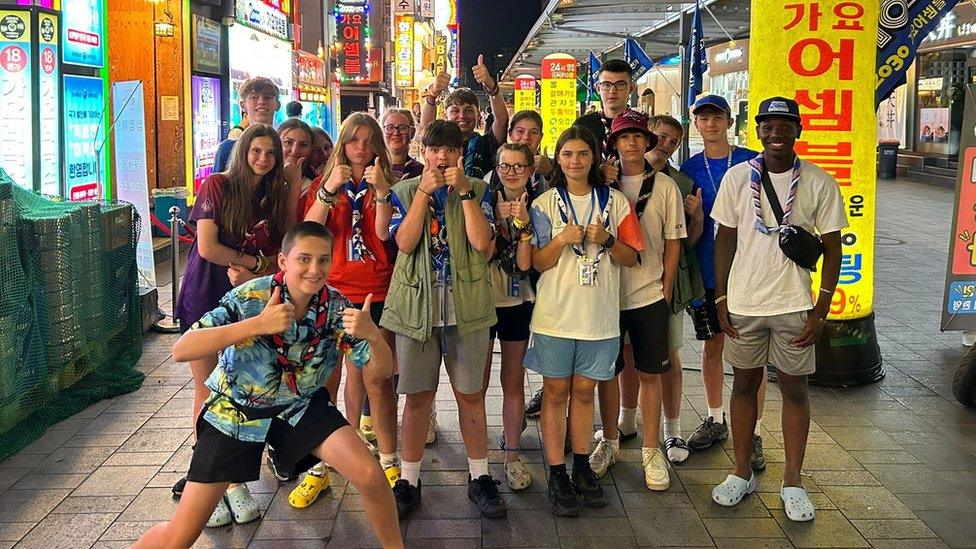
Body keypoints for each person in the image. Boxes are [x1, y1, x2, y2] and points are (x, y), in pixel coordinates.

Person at [133, 222, 403, 548]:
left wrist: (373, 335)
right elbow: (182, 349)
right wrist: (257, 324)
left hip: (299, 405)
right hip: (236, 408)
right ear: (283, 261)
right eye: (304, 259)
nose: (314, 270)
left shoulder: (336, 308)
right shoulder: (251, 296)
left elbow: (383, 372)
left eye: (323, 260)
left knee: (371, 476)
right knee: (181, 535)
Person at [710, 96, 846, 523]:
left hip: (794, 304)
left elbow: (832, 246)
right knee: (745, 385)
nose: (776, 133)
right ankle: (741, 471)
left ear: (798, 130)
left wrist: (821, 309)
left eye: (784, 125)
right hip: (746, 302)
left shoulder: (819, 181)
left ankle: (793, 480)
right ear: (758, 131)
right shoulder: (737, 178)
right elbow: (725, 238)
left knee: (794, 389)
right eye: (768, 125)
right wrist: (721, 298)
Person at [171, 124, 302, 525]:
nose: (263, 159)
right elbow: (208, 247)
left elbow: (287, 238)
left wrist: (293, 184)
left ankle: (231, 476)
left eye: (271, 154)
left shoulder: (271, 194)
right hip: (207, 293)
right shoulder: (216, 185)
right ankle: (211, 481)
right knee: (206, 389)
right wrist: (252, 265)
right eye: (256, 151)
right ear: (244, 150)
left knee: (242, 388)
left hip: (248, 302)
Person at [379, 120, 506, 520]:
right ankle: (410, 480)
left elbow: (482, 242)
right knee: (416, 397)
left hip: (467, 309)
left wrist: (465, 192)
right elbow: (405, 242)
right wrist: (422, 194)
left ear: (460, 153)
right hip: (417, 310)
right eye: (435, 150)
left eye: (450, 150)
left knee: (471, 394)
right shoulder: (403, 191)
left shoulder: (480, 190)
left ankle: (480, 477)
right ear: (424, 153)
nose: (442, 157)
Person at [526, 126, 643, 516]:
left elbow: (631, 257)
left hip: (599, 319)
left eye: (582, 154)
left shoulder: (617, 203)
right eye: (567, 154)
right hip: (555, 317)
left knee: (584, 392)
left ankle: (581, 465)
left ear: (594, 159)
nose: (575, 161)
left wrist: (607, 240)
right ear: (557, 159)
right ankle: (557, 472)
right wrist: (561, 240)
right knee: (556, 393)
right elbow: (537, 264)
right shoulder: (543, 204)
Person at [295, 112, 401, 508]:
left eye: (367, 139)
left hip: (376, 289)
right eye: (353, 139)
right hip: (332, 289)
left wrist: (383, 192)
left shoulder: (384, 183)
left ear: (376, 145)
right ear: (343, 143)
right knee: (327, 379)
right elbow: (310, 231)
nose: (360, 147)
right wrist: (329, 190)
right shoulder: (328, 181)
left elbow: (381, 234)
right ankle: (323, 464)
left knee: (376, 377)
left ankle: (387, 460)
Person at [587, 110, 684, 490]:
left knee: (650, 372)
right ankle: (609, 440)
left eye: (638, 137)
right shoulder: (599, 185)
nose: (631, 143)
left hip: (647, 294)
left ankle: (650, 449)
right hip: (606, 294)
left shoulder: (664, 187)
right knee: (606, 373)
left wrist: (668, 286)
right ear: (613, 144)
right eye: (624, 137)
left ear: (648, 143)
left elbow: (673, 242)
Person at [679, 94, 767, 469]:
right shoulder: (689, 166)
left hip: (748, 272)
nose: (710, 124)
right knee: (712, 345)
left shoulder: (752, 161)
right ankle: (716, 418)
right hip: (706, 271)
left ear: (730, 121)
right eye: (703, 118)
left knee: (754, 354)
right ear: (695, 124)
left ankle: (757, 430)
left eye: (717, 117)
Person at [646, 114, 705, 464]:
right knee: (625, 355)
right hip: (625, 280)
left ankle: (672, 429)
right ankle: (624, 421)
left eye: (673, 141)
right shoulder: (616, 172)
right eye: (661, 136)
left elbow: (689, 243)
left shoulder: (681, 182)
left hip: (667, 283)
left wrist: (695, 217)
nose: (665, 145)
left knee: (669, 356)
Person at [482, 143, 538, 491]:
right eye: (506, 166)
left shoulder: (542, 202)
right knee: (479, 380)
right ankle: (478, 459)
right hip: (484, 300)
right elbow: (483, 251)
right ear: (497, 168)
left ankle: (512, 455)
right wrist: (498, 221)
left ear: (531, 171)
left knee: (513, 379)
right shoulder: (481, 198)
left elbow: (524, 264)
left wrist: (524, 225)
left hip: (521, 300)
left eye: (519, 166)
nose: (512, 172)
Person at [419, 54, 509, 179]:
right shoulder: (440, 145)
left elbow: (502, 121)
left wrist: (491, 86)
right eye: (455, 110)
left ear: (478, 114)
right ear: (445, 115)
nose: (462, 116)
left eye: (469, 110)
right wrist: (433, 94)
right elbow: (426, 128)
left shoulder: (486, 144)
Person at [214, 77, 282, 172]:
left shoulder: (286, 146)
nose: (261, 101)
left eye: (268, 97)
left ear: (278, 105)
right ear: (243, 105)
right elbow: (216, 184)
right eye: (254, 97)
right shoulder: (228, 148)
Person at [382, 108, 425, 181]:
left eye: (403, 128)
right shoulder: (373, 168)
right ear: (382, 132)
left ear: (412, 132)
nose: (396, 133)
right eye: (390, 128)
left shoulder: (420, 171)